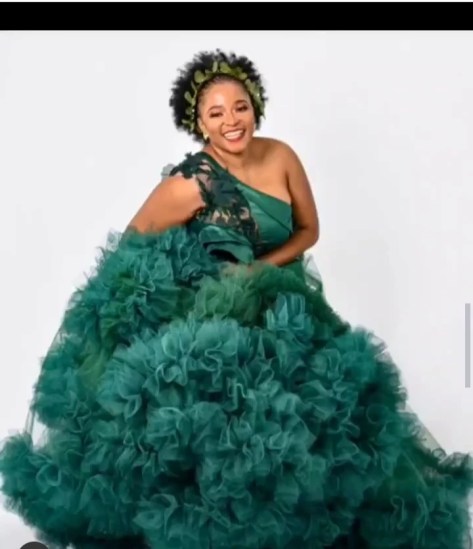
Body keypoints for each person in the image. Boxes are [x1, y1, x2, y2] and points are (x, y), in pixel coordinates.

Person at [0, 49, 471, 549]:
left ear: (255, 106)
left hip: (286, 302)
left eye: (240, 107)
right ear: (200, 124)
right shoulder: (190, 184)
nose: (231, 121)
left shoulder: (282, 156)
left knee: (331, 412)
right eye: (216, 112)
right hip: (218, 314)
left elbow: (309, 230)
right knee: (230, 430)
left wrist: (262, 269)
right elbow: (131, 244)